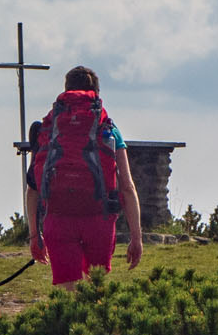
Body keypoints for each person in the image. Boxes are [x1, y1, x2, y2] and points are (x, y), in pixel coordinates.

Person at [26, 65, 143, 289]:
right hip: (98, 219)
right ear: (96, 94)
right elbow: (127, 187)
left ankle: (64, 323)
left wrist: (34, 236)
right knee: (94, 291)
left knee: (67, 294)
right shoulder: (109, 129)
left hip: (58, 217)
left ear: (66, 91)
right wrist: (136, 238)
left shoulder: (48, 128)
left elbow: (33, 187)